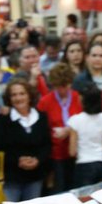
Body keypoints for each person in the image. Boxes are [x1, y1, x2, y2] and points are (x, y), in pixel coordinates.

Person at [0, 78, 51, 202]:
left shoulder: (42, 117)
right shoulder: (1, 120)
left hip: (35, 177)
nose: (18, 98)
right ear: (9, 99)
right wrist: (18, 160)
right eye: (14, 95)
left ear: (29, 96)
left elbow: (46, 145)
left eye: (22, 93)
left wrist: (38, 160)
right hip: (10, 178)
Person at [37, 63, 82, 194]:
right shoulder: (45, 102)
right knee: (60, 190)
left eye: (65, 85)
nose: (62, 89)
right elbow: (41, 130)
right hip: (56, 155)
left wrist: (68, 130)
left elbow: (85, 121)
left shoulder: (77, 97)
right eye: (58, 86)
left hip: (78, 151)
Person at [68, 83, 102, 188]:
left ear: (82, 100)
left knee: (85, 200)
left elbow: (72, 152)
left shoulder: (75, 120)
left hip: (83, 164)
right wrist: (99, 146)